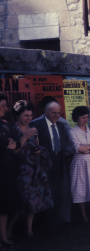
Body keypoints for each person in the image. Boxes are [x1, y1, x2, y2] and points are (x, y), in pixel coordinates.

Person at [8, 100, 53, 239]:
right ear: (17, 115)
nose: (28, 118)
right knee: (21, 204)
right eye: (25, 115)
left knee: (33, 202)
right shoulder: (12, 130)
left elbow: (36, 146)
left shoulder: (33, 128)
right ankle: (8, 231)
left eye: (30, 115)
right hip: (21, 171)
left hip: (34, 169)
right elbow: (14, 152)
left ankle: (29, 230)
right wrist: (25, 136)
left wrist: (39, 151)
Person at [29, 100, 73, 226]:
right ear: (45, 112)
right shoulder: (36, 124)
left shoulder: (61, 126)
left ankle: (62, 221)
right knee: (48, 194)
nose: (57, 116)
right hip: (44, 164)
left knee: (63, 192)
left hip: (60, 162)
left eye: (59, 113)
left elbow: (64, 144)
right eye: (54, 113)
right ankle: (48, 223)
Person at [0, 93, 19, 247]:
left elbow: (12, 143)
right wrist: (6, 143)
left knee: (5, 205)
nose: (5, 108)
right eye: (3, 105)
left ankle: (4, 236)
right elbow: (7, 142)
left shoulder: (5, 123)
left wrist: (7, 143)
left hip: (7, 170)